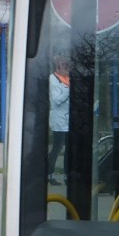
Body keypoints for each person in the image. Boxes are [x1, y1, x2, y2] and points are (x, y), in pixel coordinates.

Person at [47, 55, 70, 184]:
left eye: (67, 66)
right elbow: (56, 100)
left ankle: (67, 175)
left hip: (68, 119)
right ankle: (50, 174)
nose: (67, 69)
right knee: (58, 147)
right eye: (64, 67)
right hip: (59, 120)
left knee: (69, 148)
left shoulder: (68, 79)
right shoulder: (53, 79)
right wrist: (68, 90)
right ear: (57, 68)